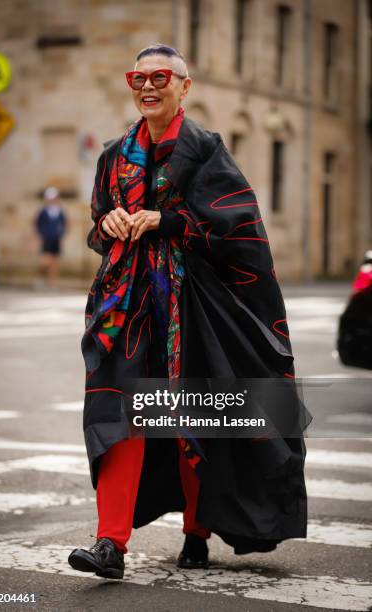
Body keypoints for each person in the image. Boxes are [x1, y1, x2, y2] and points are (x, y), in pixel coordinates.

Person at [68, 44, 308, 580]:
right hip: (123, 309)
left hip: (194, 309)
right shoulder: (113, 154)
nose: (147, 86)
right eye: (138, 77)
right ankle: (110, 543)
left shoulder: (205, 151)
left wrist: (165, 221)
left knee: (188, 418)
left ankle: (196, 530)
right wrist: (106, 225)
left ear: (184, 85)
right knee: (118, 416)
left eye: (160, 77)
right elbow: (99, 221)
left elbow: (237, 230)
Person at [34, 187, 68, 289]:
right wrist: (42, 234)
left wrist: (61, 233)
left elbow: (64, 224)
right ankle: (40, 279)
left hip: (56, 239)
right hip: (47, 239)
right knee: (45, 261)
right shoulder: (43, 211)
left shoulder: (60, 211)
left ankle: (52, 283)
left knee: (55, 262)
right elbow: (38, 225)